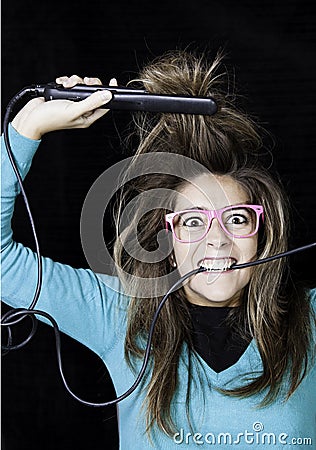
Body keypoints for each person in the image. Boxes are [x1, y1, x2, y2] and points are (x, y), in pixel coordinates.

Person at [1, 51, 315, 449]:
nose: (216, 239)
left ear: (261, 233)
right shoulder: (119, 316)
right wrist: (25, 127)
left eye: (237, 219)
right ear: (167, 242)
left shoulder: (311, 322)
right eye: (193, 222)